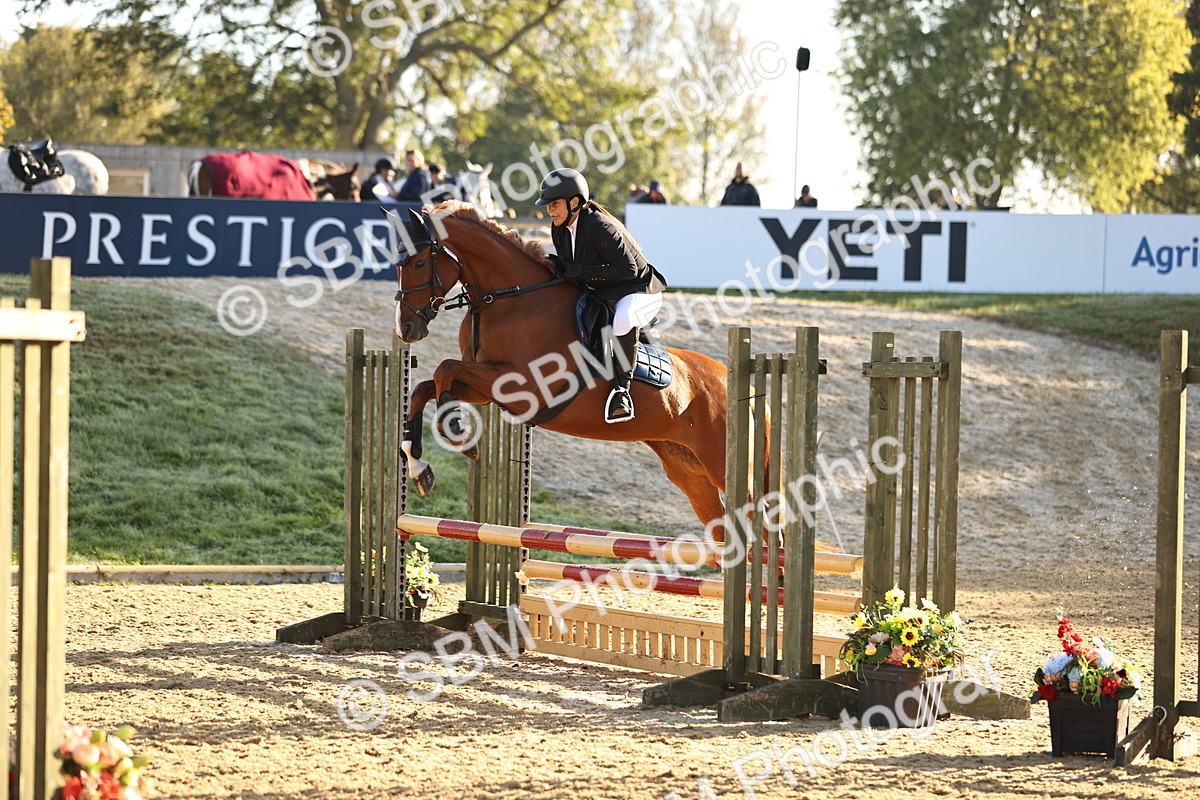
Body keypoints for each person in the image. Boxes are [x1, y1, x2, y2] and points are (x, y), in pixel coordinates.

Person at [535, 167, 667, 424]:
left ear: (575, 202)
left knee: (623, 319)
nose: (549, 210)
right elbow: (569, 267)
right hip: (605, 290)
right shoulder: (559, 228)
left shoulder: (598, 226)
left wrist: (580, 272)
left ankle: (621, 392)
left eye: (554, 204)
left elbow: (628, 270)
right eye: (547, 205)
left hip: (639, 289)